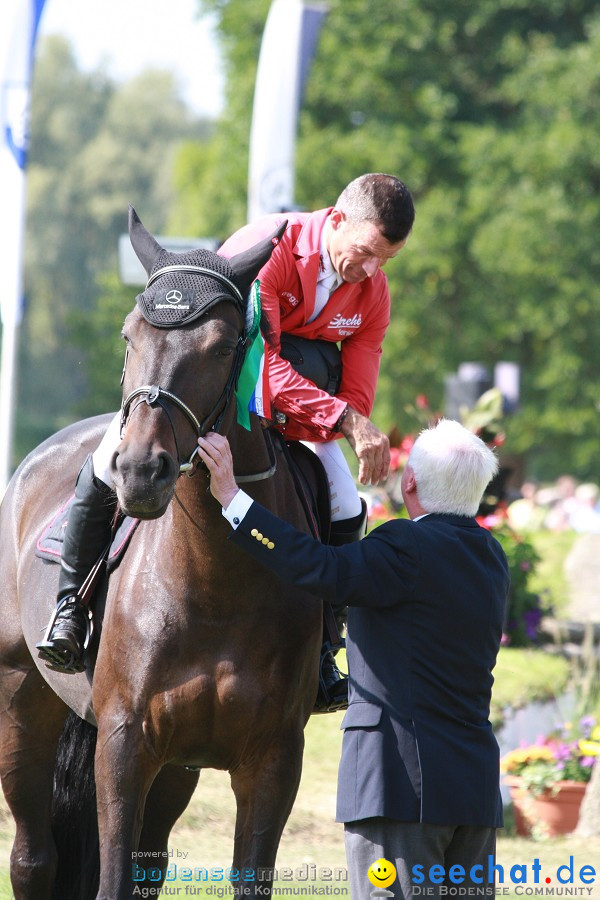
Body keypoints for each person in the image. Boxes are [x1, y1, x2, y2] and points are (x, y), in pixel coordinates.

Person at [37, 173, 415, 687]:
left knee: (348, 503)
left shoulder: (373, 291)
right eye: (367, 251)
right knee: (106, 463)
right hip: (201, 392)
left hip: (297, 417)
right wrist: (343, 419)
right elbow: (259, 364)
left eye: (385, 260)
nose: (371, 270)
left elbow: (358, 396)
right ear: (338, 219)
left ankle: (326, 644)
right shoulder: (267, 251)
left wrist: (335, 419)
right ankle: (70, 609)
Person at [196, 419, 510, 899]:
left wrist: (235, 501)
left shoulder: (406, 545)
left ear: (409, 483)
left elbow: (321, 567)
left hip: (399, 789)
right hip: (473, 790)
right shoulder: (491, 555)